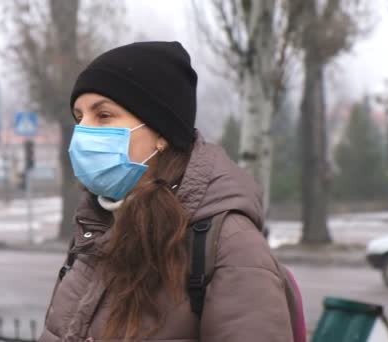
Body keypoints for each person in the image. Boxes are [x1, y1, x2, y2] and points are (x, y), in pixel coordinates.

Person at [39, 41, 293, 342]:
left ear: (161, 132)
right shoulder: (96, 228)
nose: (83, 132)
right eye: (80, 118)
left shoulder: (227, 242)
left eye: (103, 115)